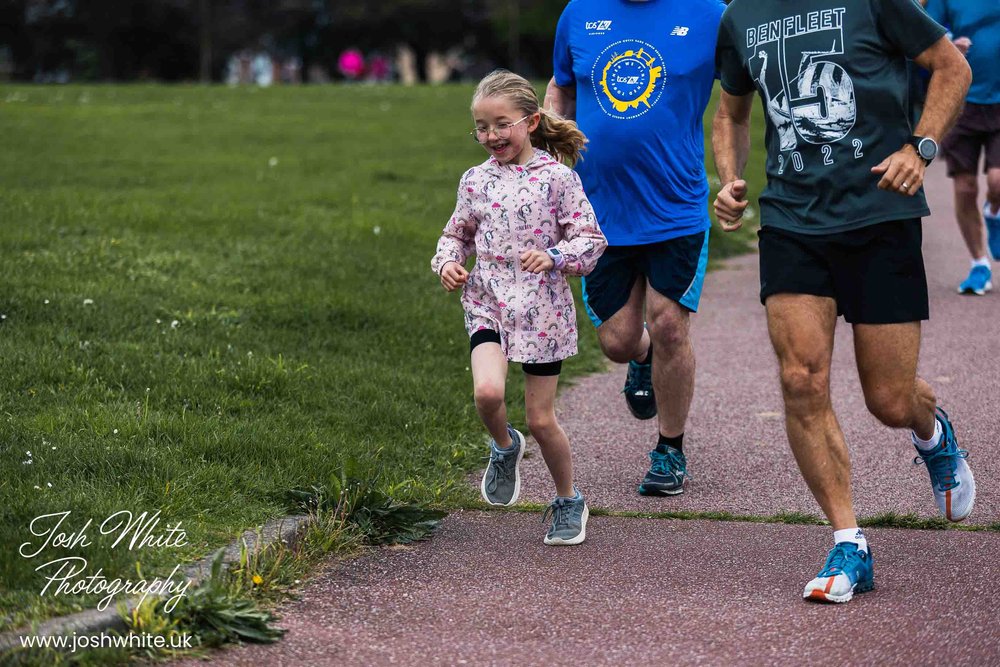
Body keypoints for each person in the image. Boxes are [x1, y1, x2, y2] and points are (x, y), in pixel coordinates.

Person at [714, 0, 975, 603]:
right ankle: (848, 540)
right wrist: (727, 176)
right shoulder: (740, 17)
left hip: (882, 212)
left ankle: (931, 432)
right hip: (792, 219)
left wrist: (921, 148)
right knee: (800, 378)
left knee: (888, 398)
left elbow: (950, 68)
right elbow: (730, 113)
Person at [545, 0, 727, 497]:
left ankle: (670, 449)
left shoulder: (710, 13)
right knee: (618, 342)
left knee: (670, 323)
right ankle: (640, 357)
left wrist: (731, 174)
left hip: (676, 206)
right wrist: (546, 138)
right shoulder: (579, 13)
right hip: (599, 211)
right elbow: (562, 86)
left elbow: (741, 88)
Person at [431, 70, 607, 545]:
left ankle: (569, 500)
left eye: (501, 124)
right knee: (487, 395)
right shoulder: (475, 181)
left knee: (541, 419)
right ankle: (504, 448)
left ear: (530, 122)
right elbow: (456, 235)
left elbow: (590, 242)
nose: (491, 136)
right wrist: (448, 263)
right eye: (482, 127)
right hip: (487, 302)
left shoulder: (559, 180)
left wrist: (553, 256)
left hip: (541, 312)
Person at [924, 0, 1000, 295]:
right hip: (960, 101)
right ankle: (978, 264)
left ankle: (994, 211)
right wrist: (951, 44)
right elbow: (928, 32)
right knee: (965, 187)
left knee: (997, 180)